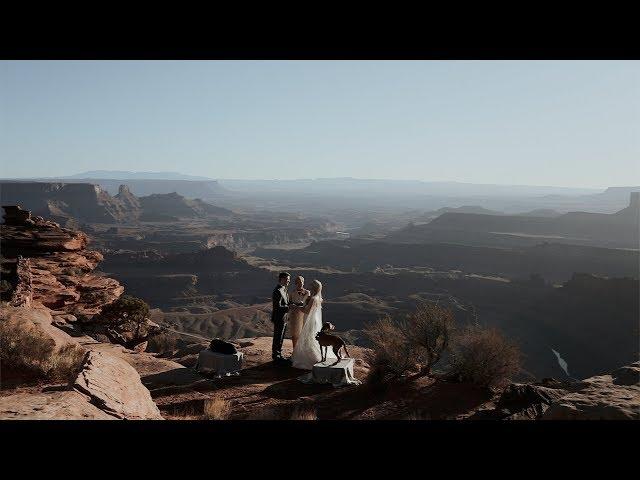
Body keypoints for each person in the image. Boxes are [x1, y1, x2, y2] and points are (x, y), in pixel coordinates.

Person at [291, 279, 336, 370]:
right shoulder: (319, 298)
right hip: (315, 320)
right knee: (312, 338)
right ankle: (316, 355)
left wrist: (297, 307)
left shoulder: (313, 298)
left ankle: (311, 358)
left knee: (308, 338)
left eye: (311, 285)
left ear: (314, 287)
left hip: (310, 320)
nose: (309, 286)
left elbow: (306, 311)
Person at [271, 271, 291, 364]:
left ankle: (278, 355)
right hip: (279, 318)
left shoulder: (284, 289)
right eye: (287, 279)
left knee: (281, 337)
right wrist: (290, 307)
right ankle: (276, 356)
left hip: (284, 318)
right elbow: (277, 306)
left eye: (289, 280)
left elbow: (286, 303)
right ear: (282, 279)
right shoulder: (277, 290)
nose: (288, 281)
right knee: (278, 337)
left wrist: (294, 304)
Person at [288, 275, 310, 350]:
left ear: (303, 283)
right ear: (295, 283)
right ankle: (295, 350)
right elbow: (289, 303)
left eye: (301, 282)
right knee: (294, 334)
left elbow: (308, 304)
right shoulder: (292, 293)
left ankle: (303, 350)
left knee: (303, 333)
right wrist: (292, 305)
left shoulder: (307, 292)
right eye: (298, 282)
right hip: (294, 315)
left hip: (303, 314)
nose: (300, 284)